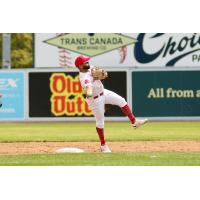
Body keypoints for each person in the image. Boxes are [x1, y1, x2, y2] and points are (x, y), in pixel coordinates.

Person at [75, 55, 148, 153]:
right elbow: (88, 89)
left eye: (87, 61)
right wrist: (88, 92)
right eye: (85, 62)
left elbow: (103, 73)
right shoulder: (84, 78)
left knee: (121, 100)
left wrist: (103, 73)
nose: (87, 63)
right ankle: (103, 145)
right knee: (100, 122)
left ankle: (134, 122)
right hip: (95, 100)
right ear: (80, 66)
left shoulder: (90, 68)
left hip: (103, 92)